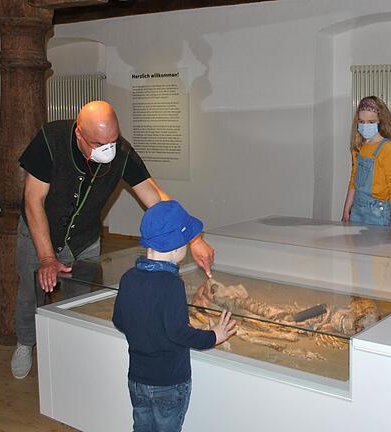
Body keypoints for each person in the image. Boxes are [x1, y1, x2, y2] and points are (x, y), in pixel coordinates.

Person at [12, 101, 215, 379]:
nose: (109, 148)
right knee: (29, 292)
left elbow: (156, 198)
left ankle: (75, 350)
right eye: (98, 142)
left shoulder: (122, 152)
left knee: (80, 298)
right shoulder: (50, 140)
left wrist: (194, 238)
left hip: (83, 239)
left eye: (113, 140)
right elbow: (33, 201)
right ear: (79, 134)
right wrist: (47, 257)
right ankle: (25, 342)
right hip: (38, 230)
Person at [112, 200, 237, 432]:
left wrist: (148, 328)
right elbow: (179, 333)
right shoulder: (171, 285)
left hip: (137, 380)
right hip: (169, 383)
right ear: (176, 247)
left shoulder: (128, 277)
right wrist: (214, 336)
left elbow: (119, 320)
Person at [341, 96, 391, 227]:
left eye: (370, 122)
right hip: (357, 209)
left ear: (380, 121)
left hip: (378, 214)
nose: (365, 126)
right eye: (361, 121)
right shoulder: (358, 146)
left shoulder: (387, 148)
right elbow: (353, 181)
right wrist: (346, 210)